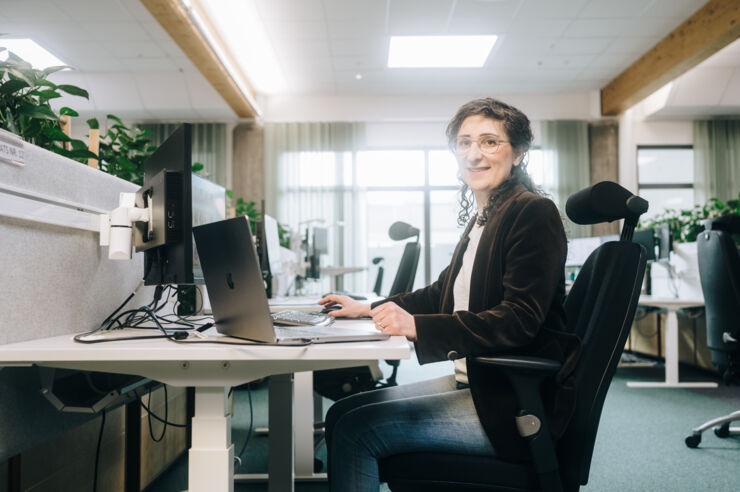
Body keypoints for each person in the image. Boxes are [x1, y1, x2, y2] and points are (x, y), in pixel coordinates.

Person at [319, 97, 581, 491]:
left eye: (490, 142)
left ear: (519, 152)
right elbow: (441, 291)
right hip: (481, 381)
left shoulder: (532, 213)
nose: (474, 154)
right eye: (464, 142)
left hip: (511, 401)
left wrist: (418, 327)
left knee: (355, 429)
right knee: (342, 412)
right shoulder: (485, 216)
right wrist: (366, 308)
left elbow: (520, 319)